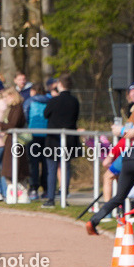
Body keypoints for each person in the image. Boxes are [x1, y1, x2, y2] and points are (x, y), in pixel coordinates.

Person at [41, 74, 79, 207]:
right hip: (69, 140)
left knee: (51, 169)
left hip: (53, 139)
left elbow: (46, 114)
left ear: (60, 85)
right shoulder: (74, 101)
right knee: (65, 168)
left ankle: (51, 198)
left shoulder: (54, 101)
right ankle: (64, 196)